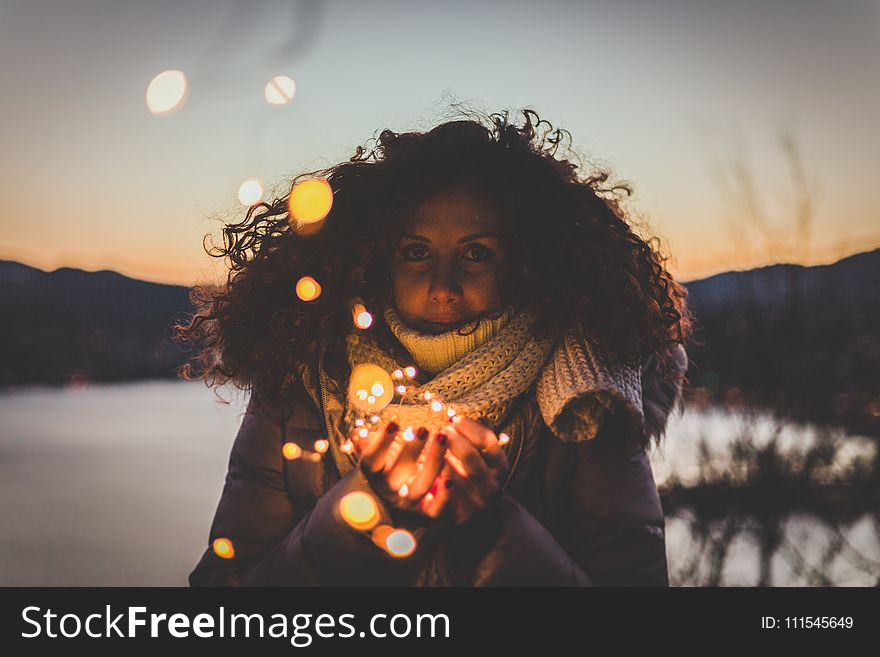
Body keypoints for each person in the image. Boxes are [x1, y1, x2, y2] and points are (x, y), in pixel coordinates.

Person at [176, 109, 693, 586]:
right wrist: (365, 510)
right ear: (377, 261)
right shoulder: (301, 386)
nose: (443, 285)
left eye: (476, 254)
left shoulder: (587, 399)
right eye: (417, 252)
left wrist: (489, 529)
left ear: (524, 265)